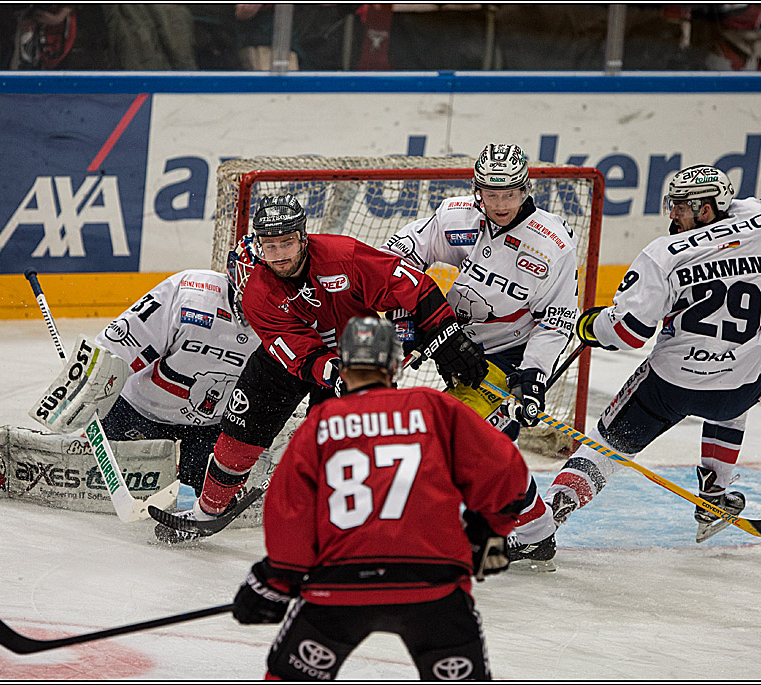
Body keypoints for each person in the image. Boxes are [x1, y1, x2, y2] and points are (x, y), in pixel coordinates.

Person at [151, 193, 487, 542]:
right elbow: (297, 351)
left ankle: (360, 525)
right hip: (289, 363)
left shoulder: (345, 256)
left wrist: (446, 333)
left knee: (355, 452)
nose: (279, 253)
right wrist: (333, 372)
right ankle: (208, 509)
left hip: (356, 354)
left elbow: (412, 287)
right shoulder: (257, 293)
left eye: (287, 242)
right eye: (270, 245)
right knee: (240, 432)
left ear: (303, 236)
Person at [230, 316, 531, 680]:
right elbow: (506, 473)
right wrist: (489, 529)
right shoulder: (434, 407)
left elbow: (289, 510)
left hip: (339, 587)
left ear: (343, 364)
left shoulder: (322, 421)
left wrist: (277, 580)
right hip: (432, 586)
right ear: (395, 364)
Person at [545, 164, 761, 549]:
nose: (672, 214)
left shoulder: (663, 254)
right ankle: (714, 496)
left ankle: (547, 518)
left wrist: (589, 326)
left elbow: (629, 332)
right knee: (736, 386)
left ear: (707, 208)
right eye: (672, 204)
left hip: (671, 386)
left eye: (682, 206)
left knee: (606, 444)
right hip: (743, 386)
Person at [382, 142, 579, 564]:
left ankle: (406, 534)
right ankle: (536, 531)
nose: (501, 203)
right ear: (477, 190)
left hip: (509, 357)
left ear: (526, 188)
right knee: (484, 451)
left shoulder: (553, 243)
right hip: (452, 343)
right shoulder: (457, 217)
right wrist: (408, 322)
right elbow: (397, 258)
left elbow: (558, 318)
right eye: (491, 193)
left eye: (510, 193)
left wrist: (534, 375)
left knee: (450, 439)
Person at [29, 240, 261, 496]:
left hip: (213, 425)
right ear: (235, 271)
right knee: (84, 475)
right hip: (140, 409)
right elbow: (118, 344)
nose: (259, 289)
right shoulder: (191, 292)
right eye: (254, 277)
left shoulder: (291, 317)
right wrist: (81, 393)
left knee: (206, 496)